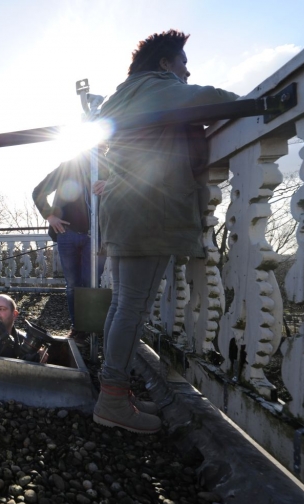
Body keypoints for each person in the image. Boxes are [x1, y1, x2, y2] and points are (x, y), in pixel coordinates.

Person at [95, 30, 239, 434]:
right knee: (133, 308)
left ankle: (114, 391)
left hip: (121, 210)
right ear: (164, 65)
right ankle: (111, 399)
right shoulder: (161, 87)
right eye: (182, 63)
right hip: (149, 211)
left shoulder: (120, 95)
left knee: (121, 303)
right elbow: (219, 101)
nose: (187, 71)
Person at [32, 153, 106, 341]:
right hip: (67, 234)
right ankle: (78, 328)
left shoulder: (107, 167)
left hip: (96, 236)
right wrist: (50, 216)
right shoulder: (67, 167)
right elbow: (38, 191)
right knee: (73, 285)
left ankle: (92, 329)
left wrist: (110, 188)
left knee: (91, 284)